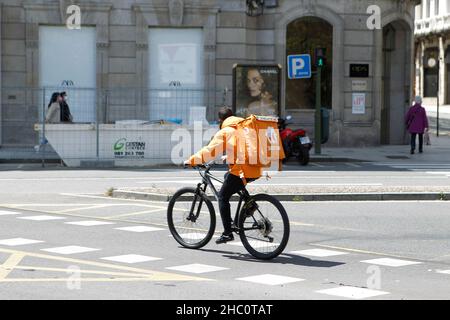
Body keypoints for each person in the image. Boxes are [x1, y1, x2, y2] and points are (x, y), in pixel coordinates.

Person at [184, 107, 262, 244]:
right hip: (256, 168)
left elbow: (210, 151)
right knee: (228, 177)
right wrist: (229, 156)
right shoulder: (244, 127)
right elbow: (245, 147)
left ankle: (227, 233)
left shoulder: (226, 130)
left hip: (242, 170)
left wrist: (191, 161)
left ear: (221, 120)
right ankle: (250, 205)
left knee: (222, 196)